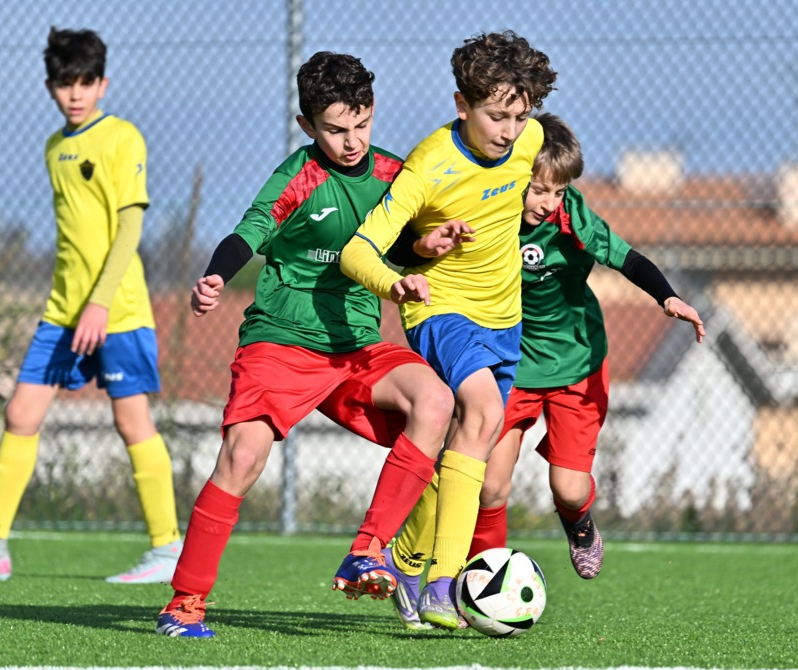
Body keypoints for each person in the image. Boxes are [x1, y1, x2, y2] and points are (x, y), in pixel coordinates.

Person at [153, 51, 454, 639]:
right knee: (242, 457)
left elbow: (404, 242)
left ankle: (369, 553)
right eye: (336, 129)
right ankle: (184, 603)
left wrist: (428, 245)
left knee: (437, 403)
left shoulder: (394, 174)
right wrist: (216, 275)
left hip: (358, 347)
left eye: (362, 124)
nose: (352, 141)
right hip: (282, 342)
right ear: (307, 126)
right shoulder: (299, 176)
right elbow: (249, 230)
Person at [384, 113, 705, 628]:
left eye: (557, 191)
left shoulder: (572, 216)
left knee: (570, 489)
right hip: (511, 358)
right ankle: (476, 588)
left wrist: (666, 297)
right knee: (489, 486)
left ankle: (578, 524)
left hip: (576, 362)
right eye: (538, 190)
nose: (547, 202)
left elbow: (627, 258)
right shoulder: (488, 209)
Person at [0, 27, 183, 585]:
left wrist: (100, 304)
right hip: (63, 311)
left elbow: (128, 227)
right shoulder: (53, 147)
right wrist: (77, 304)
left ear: (103, 83)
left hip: (118, 310)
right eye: (65, 84)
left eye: (85, 82)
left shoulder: (123, 138)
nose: (75, 93)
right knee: (20, 414)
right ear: (50, 87)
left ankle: (167, 550)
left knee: (131, 420)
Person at [338, 30, 557, 630]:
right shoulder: (429, 164)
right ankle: (445, 583)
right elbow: (358, 251)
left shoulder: (532, 139)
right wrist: (396, 282)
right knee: (482, 413)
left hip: (505, 319)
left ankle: (405, 561)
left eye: (520, 115)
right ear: (462, 104)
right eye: (496, 116)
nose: (510, 131)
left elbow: (537, 184)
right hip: (440, 310)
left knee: (470, 442)